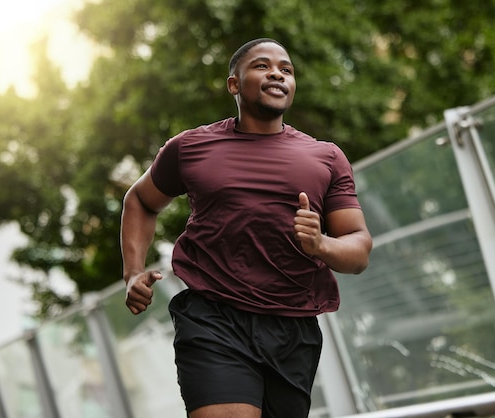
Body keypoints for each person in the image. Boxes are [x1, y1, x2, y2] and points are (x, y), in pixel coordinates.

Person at [120, 38, 373, 418]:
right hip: (213, 317)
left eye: (286, 69)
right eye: (262, 65)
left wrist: (320, 244)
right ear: (234, 84)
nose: (276, 73)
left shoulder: (326, 157)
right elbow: (140, 200)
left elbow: (359, 250)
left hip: (293, 328)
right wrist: (133, 271)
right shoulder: (190, 147)